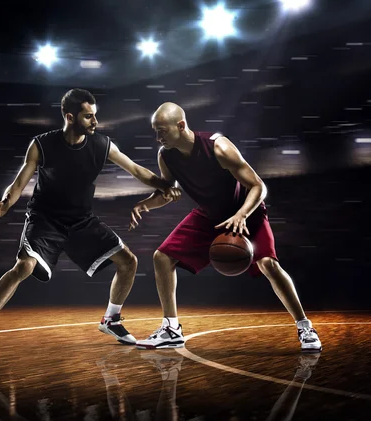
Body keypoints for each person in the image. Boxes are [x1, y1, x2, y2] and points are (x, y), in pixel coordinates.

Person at [0, 89, 178, 355]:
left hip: (81, 220)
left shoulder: (102, 144)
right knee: (24, 267)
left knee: (129, 261)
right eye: (89, 117)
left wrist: (165, 184)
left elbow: (137, 171)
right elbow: (20, 181)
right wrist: (6, 202)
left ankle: (111, 320)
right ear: (70, 116)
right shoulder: (42, 144)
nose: (95, 122)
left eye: (95, 116)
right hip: (45, 219)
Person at [130, 102, 322, 352]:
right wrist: (145, 204)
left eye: (162, 130)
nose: (158, 137)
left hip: (246, 211)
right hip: (210, 215)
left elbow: (258, 186)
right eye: (155, 131)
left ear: (181, 125)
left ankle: (305, 327)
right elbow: (168, 192)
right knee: (162, 258)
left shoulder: (218, 146)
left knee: (268, 264)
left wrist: (242, 214)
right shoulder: (166, 155)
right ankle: (171, 329)